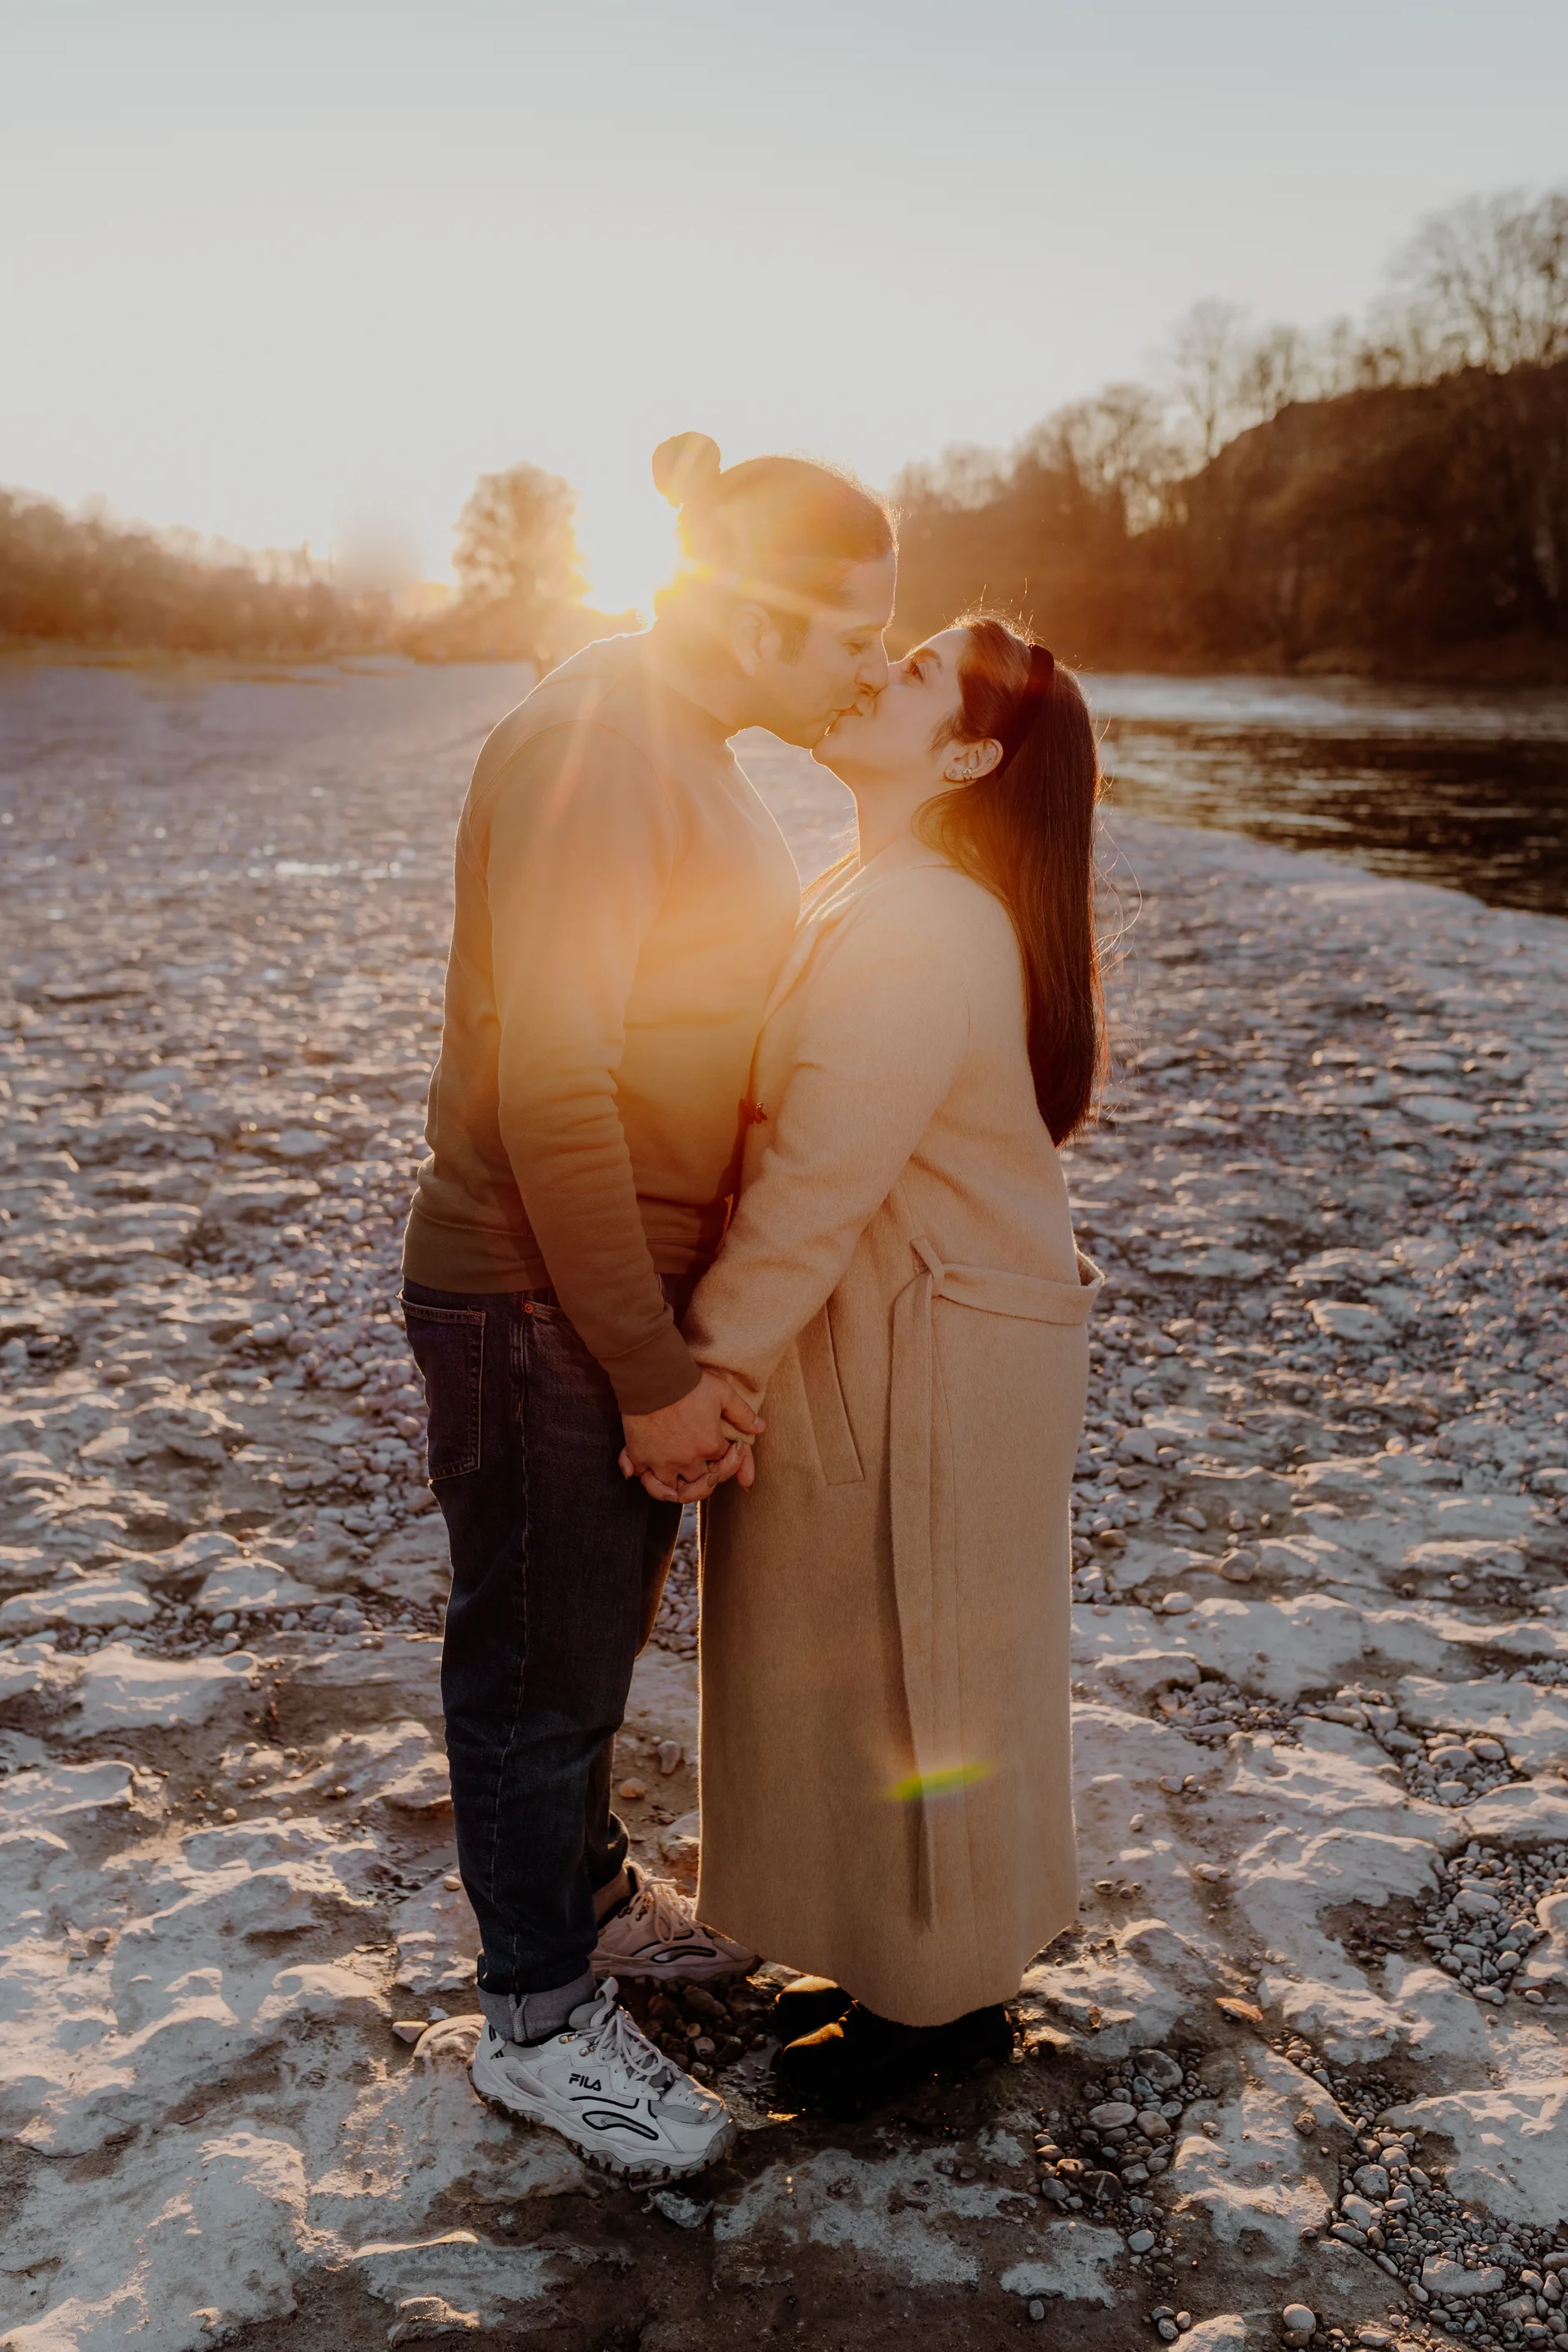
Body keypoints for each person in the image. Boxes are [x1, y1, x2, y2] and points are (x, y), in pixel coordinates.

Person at [400, 433, 896, 2178]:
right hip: (538, 1292)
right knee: (534, 1663)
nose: (865, 675)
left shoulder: (674, 735)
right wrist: (648, 1366)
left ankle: (590, 1902)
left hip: (597, 1296)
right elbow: (554, 1090)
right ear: (759, 614)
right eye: (848, 640)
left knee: (581, 1644)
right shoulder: (598, 749)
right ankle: (536, 2021)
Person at [651, 615, 1104, 2114]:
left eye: (914, 675)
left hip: (925, 1357)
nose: (875, 671)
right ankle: (890, 1964)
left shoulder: (923, 922)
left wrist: (701, 1377)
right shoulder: (885, 885)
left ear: (970, 753)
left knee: (924, 1677)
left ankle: (939, 2012)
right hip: (912, 1332)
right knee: (870, 1671)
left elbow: (816, 1182)